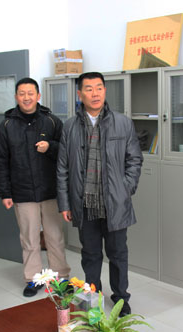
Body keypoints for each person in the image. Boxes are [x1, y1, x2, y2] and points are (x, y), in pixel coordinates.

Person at [57, 72, 143, 316]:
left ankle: (121, 299)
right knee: (90, 255)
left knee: (118, 255)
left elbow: (134, 159)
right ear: (79, 94)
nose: (94, 93)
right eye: (89, 89)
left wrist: (125, 189)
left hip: (114, 203)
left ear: (105, 91)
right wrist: (65, 203)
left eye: (98, 88)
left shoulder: (122, 123)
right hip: (84, 203)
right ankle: (92, 298)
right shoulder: (70, 126)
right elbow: (62, 167)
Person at [0, 77, 71, 297]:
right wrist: (5, 192)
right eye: (22, 93)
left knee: (55, 237)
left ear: (38, 96)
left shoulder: (52, 121)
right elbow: (0, 161)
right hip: (22, 192)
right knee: (29, 239)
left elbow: (66, 152)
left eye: (30, 93)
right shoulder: (7, 125)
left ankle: (61, 278)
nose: (26, 98)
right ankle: (33, 279)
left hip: (50, 191)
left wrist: (50, 147)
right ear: (16, 97)